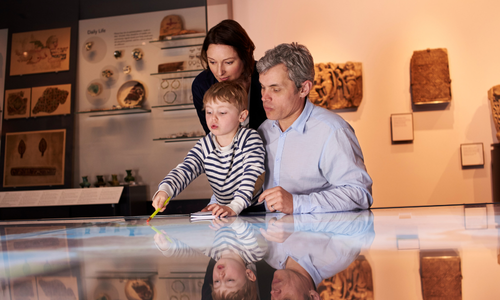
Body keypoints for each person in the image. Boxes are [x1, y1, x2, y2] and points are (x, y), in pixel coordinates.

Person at [256, 43, 373, 214]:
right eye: (263, 87)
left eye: (275, 89)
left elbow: (360, 193)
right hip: (269, 237)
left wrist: (297, 203)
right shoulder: (262, 131)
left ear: (303, 89)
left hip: (319, 238)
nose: (264, 97)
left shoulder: (333, 131)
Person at [152, 80, 266, 217]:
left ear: (241, 116)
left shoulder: (249, 138)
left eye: (222, 113)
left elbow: (253, 173)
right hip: (223, 211)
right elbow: (186, 169)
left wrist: (235, 206)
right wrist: (165, 190)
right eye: (209, 112)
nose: (214, 118)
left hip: (254, 210)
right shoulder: (204, 145)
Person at [193, 19, 267, 135]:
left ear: (245, 56)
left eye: (228, 62)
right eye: (212, 62)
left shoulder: (265, 77)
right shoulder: (202, 85)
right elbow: (213, 134)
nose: (219, 72)